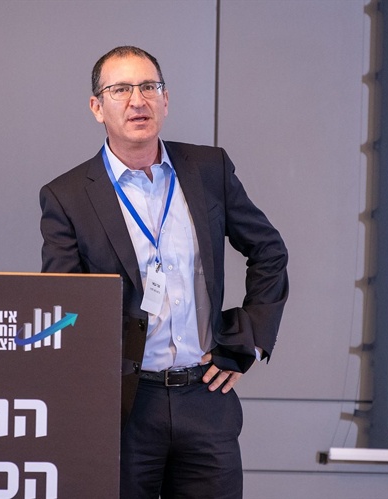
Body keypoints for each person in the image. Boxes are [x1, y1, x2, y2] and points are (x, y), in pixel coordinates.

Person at [39, 46, 289, 499]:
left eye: (149, 87)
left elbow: (269, 251)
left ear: (166, 99)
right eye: (121, 89)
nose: (138, 100)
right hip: (125, 406)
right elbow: (64, 305)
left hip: (205, 397)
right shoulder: (68, 196)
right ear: (97, 107)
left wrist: (247, 341)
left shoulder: (208, 169)